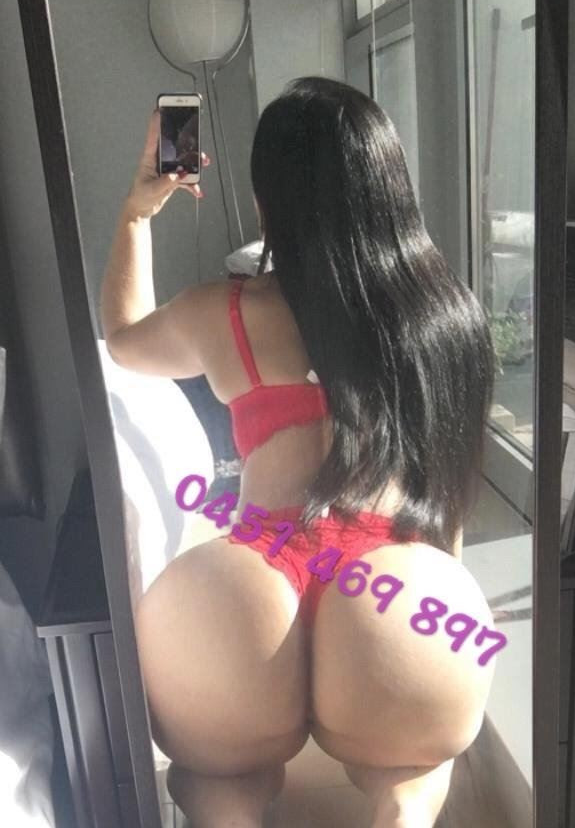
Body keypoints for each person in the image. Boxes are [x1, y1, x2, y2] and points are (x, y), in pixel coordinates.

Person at [101, 76, 497, 828]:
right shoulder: (452, 320)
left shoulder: (223, 311)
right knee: (411, 770)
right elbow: (446, 502)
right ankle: (402, 804)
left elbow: (122, 341)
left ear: (266, 202)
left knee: (218, 777)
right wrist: (438, 600)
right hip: (398, 595)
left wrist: (137, 212)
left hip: (242, 590)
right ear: (392, 186)